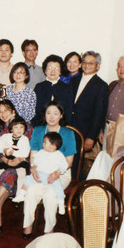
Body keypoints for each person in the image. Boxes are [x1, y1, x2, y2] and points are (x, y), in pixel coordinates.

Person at [23, 101, 76, 237]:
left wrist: (57, 173)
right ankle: (27, 224)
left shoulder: (68, 133)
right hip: (39, 170)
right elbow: (33, 154)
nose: (51, 117)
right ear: (44, 115)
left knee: (50, 194)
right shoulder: (39, 130)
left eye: (55, 113)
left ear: (61, 116)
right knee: (31, 191)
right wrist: (33, 170)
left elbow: (69, 160)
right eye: (48, 113)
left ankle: (49, 229)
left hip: (60, 172)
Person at [70, 51, 108, 178]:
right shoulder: (74, 80)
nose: (86, 65)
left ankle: (76, 194)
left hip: (84, 132)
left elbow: (99, 113)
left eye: (90, 63)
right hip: (70, 129)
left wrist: (91, 136)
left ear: (98, 65)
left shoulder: (101, 85)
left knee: (79, 165)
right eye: (84, 62)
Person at [23, 132, 68, 214]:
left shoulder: (59, 155)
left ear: (53, 145)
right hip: (40, 174)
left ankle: (61, 203)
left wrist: (58, 172)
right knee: (27, 179)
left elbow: (64, 166)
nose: (43, 143)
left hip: (51, 177)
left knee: (58, 188)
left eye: (45, 142)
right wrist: (33, 167)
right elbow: (35, 161)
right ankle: (22, 194)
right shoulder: (41, 152)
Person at [0, 116, 30, 203]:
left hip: (20, 159)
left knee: (22, 173)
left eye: (21, 127)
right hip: (6, 159)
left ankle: (19, 194)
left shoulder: (25, 139)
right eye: (16, 127)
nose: (19, 129)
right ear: (11, 129)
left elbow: (26, 152)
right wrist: (5, 150)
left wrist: (16, 156)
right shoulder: (5, 137)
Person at [33, 55, 73, 126]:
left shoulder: (67, 88)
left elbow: (68, 111)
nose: (53, 71)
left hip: (61, 126)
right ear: (45, 71)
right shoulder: (39, 87)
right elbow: (36, 110)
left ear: (60, 71)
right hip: (41, 125)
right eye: (50, 68)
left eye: (56, 68)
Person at [6, 62, 37, 127]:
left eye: (21, 72)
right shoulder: (7, 89)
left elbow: (30, 115)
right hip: (7, 124)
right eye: (15, 72)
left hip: (22, 126)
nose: (18, 75)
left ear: (26, 76)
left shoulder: (30, 93)